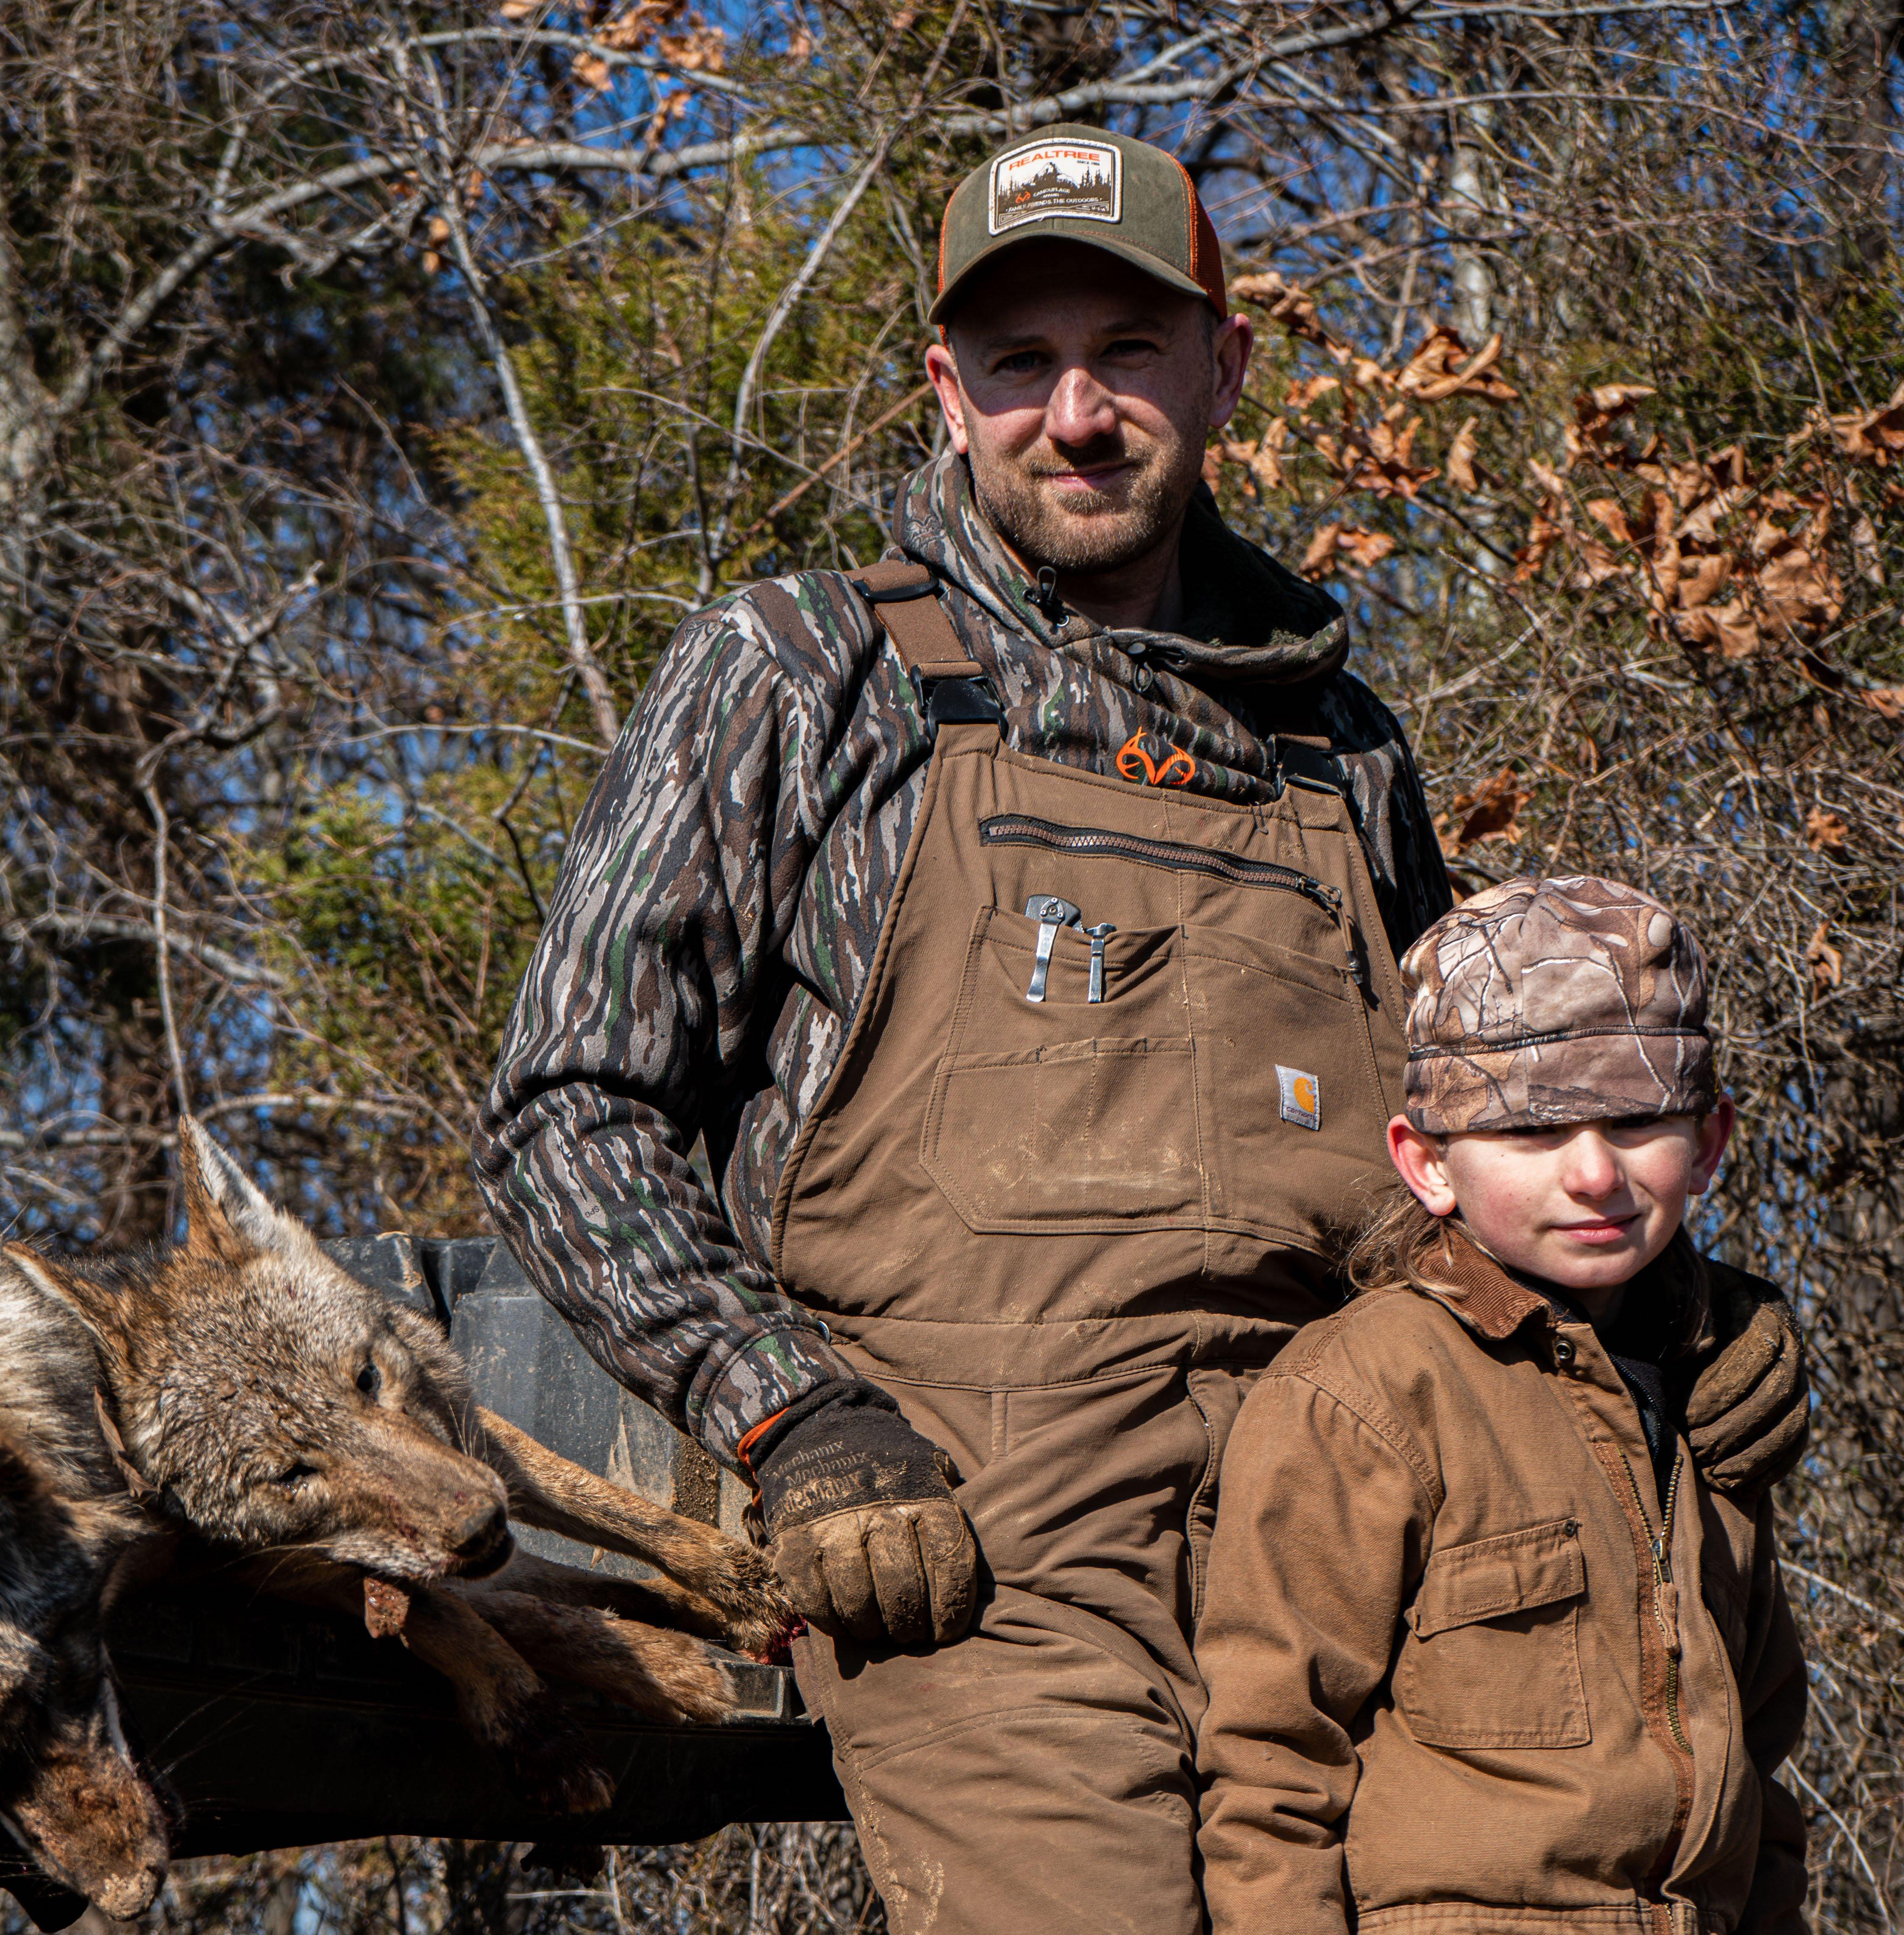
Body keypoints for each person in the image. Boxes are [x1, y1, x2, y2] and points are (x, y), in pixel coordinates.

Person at [475, 122, 1806, 1934]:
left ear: (1225, 370)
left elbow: (1471, 1149)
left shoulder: (1343, 742)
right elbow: (570, 1102)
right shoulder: (805, 670)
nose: (1077, 413)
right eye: (1022, 362)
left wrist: (1666, 1315)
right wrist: (788, 1414)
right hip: (984, 1544)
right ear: (949, 392)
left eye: (1129, 353)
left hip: (1372, 1523)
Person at [1195, 875, 1806, 1935]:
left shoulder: (1718, 1395)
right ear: (1427, 1163)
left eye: (1635, 1119)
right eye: (1532, 1131)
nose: (1594, 1171)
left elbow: (1761, 1757)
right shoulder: (1364, 1390)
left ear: (1709, 1142)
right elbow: (1272, 1770)